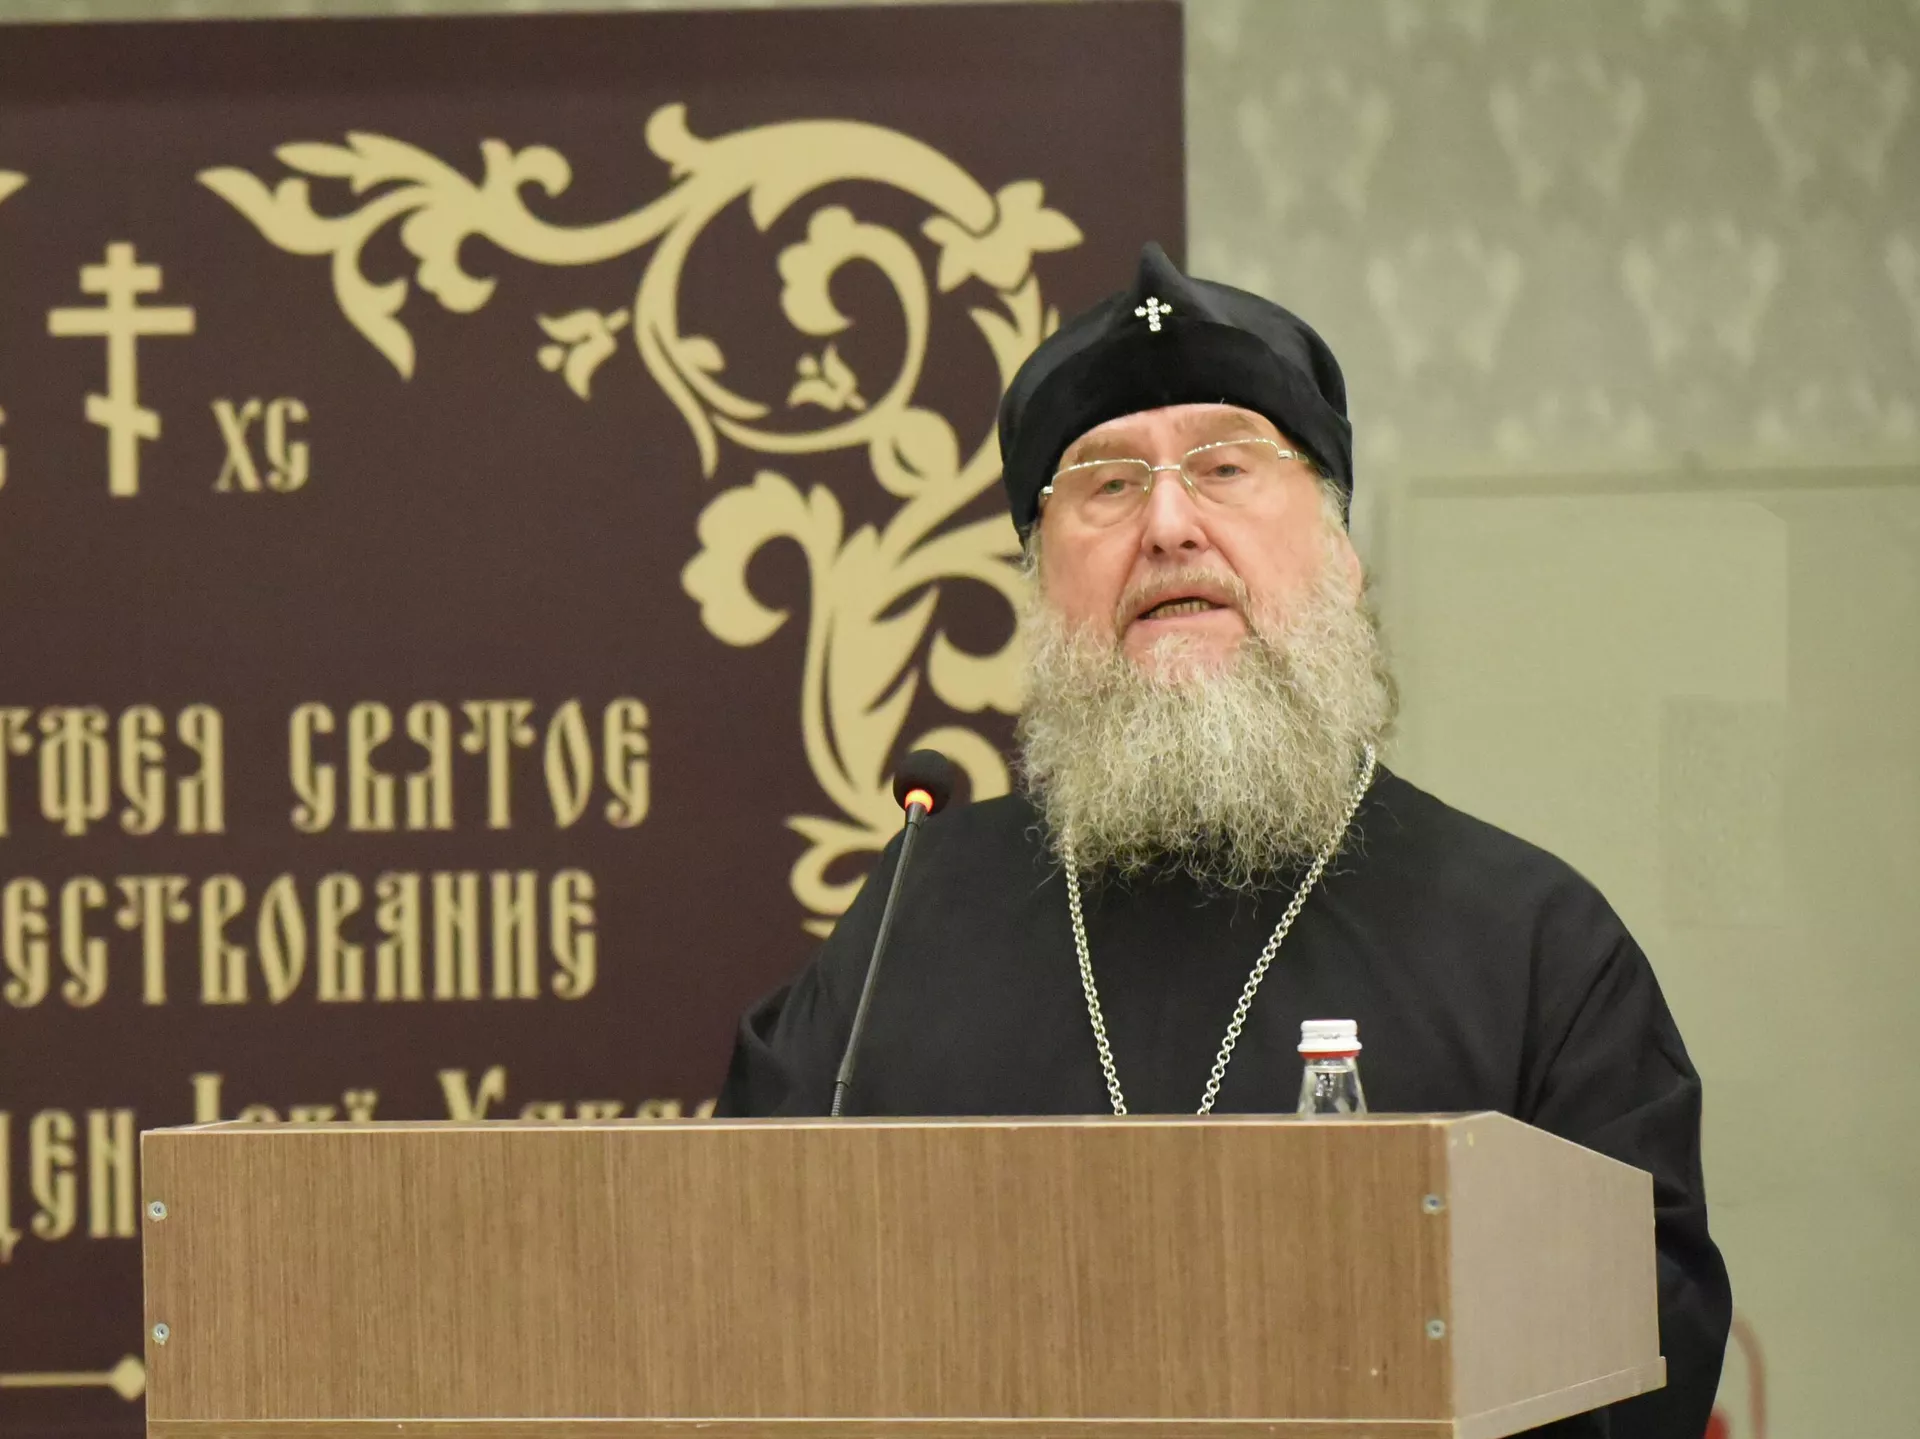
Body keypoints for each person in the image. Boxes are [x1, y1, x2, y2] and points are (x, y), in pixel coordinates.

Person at [717, 243, 1731, 1438]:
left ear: (1342, 552)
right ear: (1042, 584)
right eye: (1105, 483)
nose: (1167, 524)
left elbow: (1636, 1354)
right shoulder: (908, 928)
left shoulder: (1531, 943)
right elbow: (736, 1288)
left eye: (1226, 466)